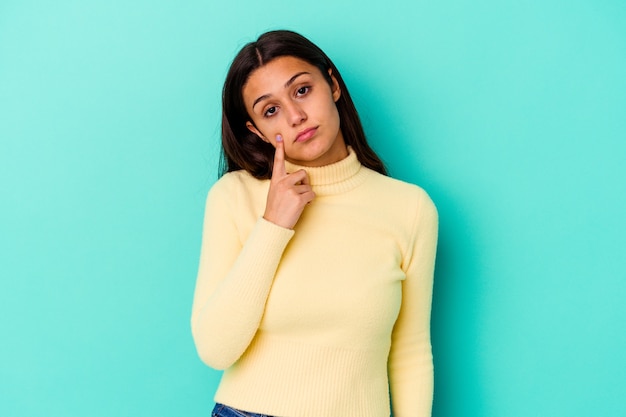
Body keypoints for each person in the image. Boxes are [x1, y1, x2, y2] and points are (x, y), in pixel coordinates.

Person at [191, 30, 438, 417]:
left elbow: (409, 351)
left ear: (333, 84)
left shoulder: (409, 208)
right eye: (270, 110)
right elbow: (215, 349)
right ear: (255, 130)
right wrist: (273, 226)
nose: (295, 116)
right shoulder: (233, 196)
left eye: (302, 90)